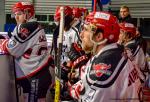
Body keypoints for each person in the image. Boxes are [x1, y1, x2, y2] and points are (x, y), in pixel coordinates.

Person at [69, 11, 142, 102]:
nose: (81, 34)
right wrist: (80, 69)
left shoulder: (106, 64)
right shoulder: (113, 52)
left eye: (86, 30)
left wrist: (71, 88)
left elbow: (89, 97)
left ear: (99, 36)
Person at [1, 2, 53, 102]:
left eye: (19, 14)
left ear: (28, 14)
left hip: (35, 76)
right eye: (15, 14)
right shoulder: (35, 25)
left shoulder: (28, 26)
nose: (16, 17)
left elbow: (12, 48)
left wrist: (3, 43)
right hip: (39, 73)